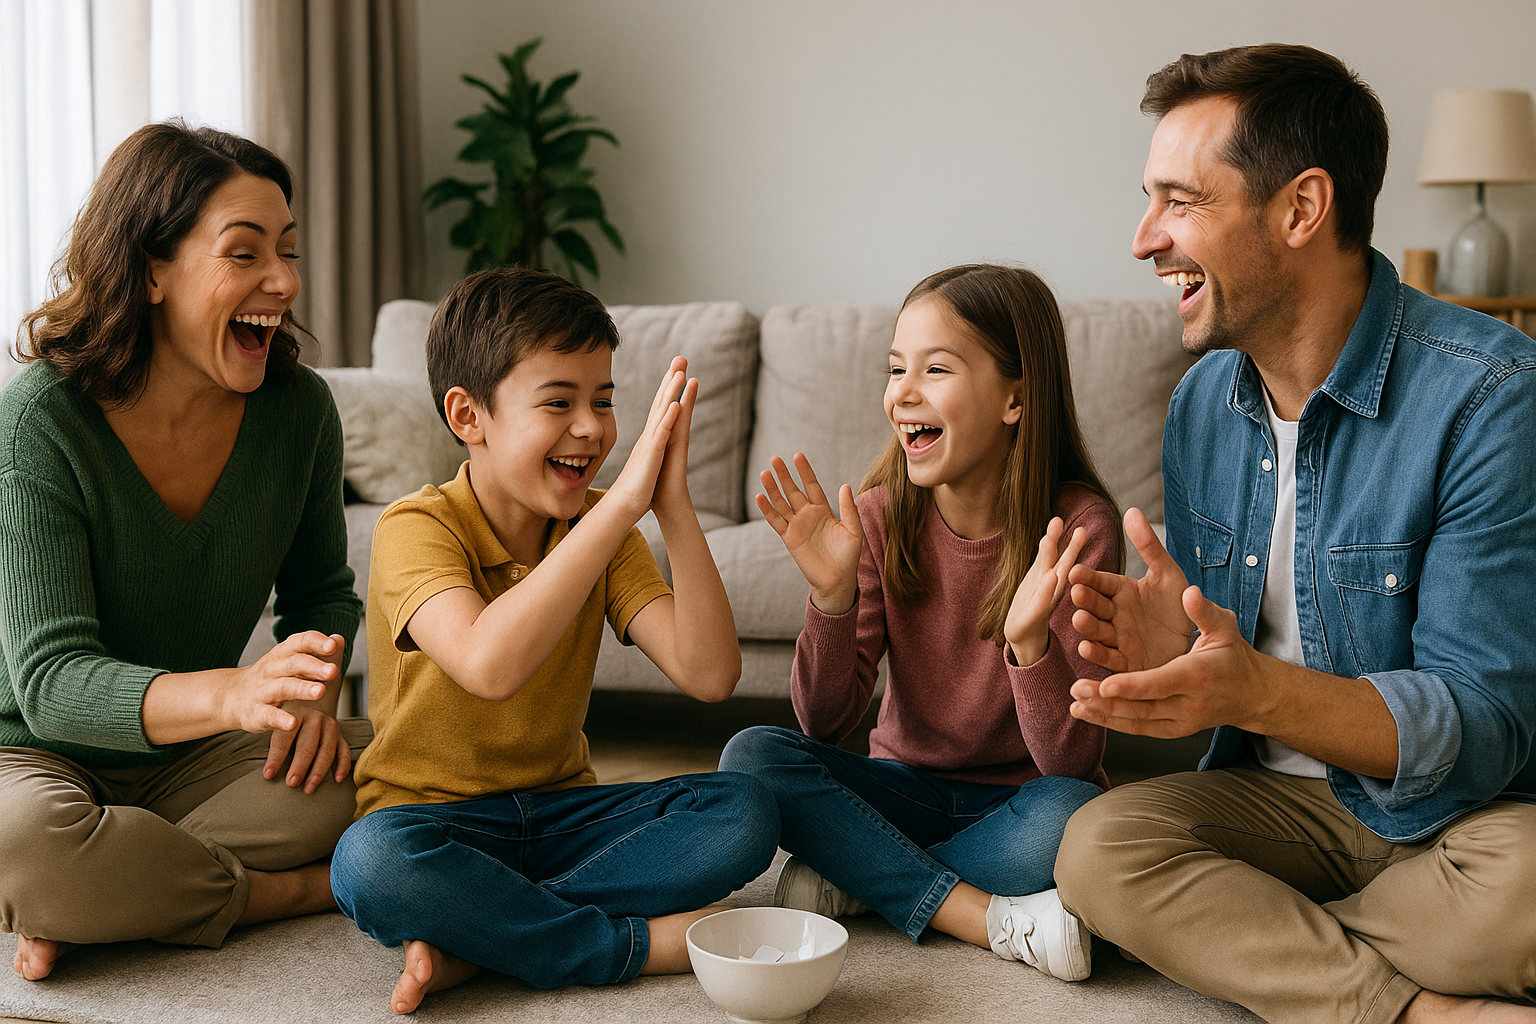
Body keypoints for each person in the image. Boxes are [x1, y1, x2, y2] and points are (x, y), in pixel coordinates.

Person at [1055, 44, 1536, 1024]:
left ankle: (1267, 942)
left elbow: (1485, 729)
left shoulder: (1492, 395)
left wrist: (1252, 688)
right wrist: (1178, 657)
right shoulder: (1200, 405)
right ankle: (1415, 1008)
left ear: (1301, 209)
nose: (1146, 238)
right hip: (1277, 806)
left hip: (1460, 819)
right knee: (1095, 848)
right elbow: (1224, 659)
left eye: (1180, 201)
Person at [328, 267, 778, 1014]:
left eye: (603, 400)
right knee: (370, 863)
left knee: (745, 811)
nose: (593, 428)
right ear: (469, 416)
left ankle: (483, 937)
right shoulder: (415, 527)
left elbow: (709, 675)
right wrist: (622, 504)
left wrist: (669, 505)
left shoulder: (601, 526)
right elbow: (487, 663)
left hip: (567, 816)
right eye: (559, 402)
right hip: (433, 822)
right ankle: (624, 946)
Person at [0, 122, 370, 981]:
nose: (283, 282)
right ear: (150, 270)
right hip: (28, 753)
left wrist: (309, 697)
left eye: (287, 250)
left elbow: (321, 594)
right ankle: (274, 893)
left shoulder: (300, 412)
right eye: (244, 255)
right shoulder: (41, 420)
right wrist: (239, 692)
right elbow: (51, 686)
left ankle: (100, 898)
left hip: (192, 761)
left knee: (403, 773)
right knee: (30, 841)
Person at [719, 264, 1121, 982]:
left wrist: (1029, 645)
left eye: (935, 369)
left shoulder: (1077, 526)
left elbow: (1067, 760)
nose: (902, 393)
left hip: (1022, 805)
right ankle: (983, 916)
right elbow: (821, 722)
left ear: (1015, 397)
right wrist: (832, 601)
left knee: (1075, 817)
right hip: (901, 790)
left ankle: (862, 877)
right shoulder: (878, 516)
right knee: (752, 757)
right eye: (896, 368)